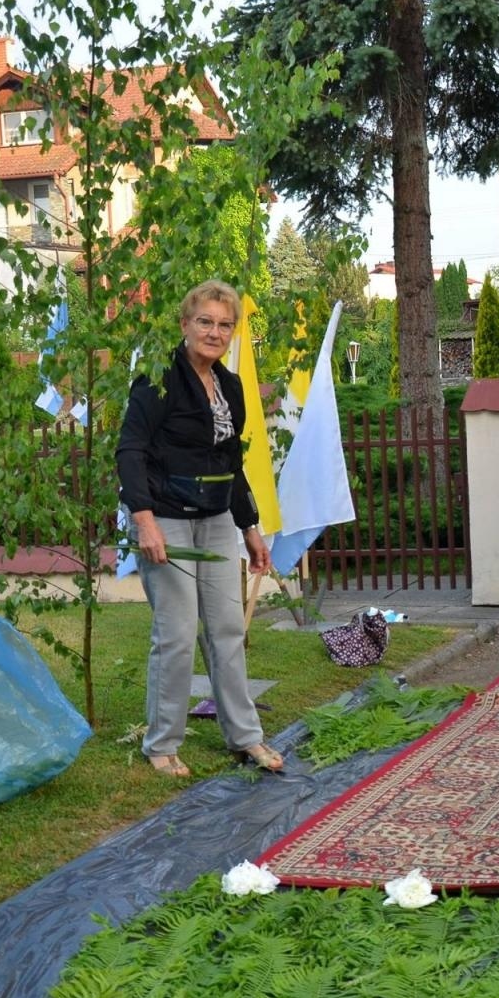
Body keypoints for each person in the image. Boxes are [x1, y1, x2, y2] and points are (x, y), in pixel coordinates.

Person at [116, 280, 283, 777]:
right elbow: (130, 451)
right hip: (165, 519)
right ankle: (162, 743)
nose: (214, 332)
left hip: (214, 519)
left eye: (224, 324)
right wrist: (144, 521)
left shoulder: (230, 386)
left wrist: (249, 527)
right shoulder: (157, 379)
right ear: (185, 324)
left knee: (227, 629)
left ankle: (245, 737)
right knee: (177, 632)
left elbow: (230, 461)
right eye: (205, 321)